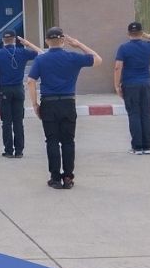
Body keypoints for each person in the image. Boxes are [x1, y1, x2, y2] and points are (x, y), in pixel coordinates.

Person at [27, 27, 102, 190]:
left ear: (47, 41)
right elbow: (98, 59)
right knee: (68, 141)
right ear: (63, 40)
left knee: (52, 140)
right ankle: (68, 177)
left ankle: (55, 178)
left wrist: (34, 104)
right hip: (68, 103)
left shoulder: (41, 59)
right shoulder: (73, 57)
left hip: (49, 103)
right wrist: (78, 44)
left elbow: (31, 81)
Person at [114, 22, 150, 155]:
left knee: (134, 114)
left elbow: (117, 67)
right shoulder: (149, 46)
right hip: (146, 84)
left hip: (130, 84)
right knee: (146, 113)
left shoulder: (123, 48)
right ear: (141, 33)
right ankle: (147, 146)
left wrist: (117, 86)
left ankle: (137, 147)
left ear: (128, 34)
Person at [0, 30, 41, 158]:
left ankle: (8, 151)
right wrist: (27, 44)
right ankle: (19, 151)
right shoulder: (23, 52)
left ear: (3, 40)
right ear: (14, 40)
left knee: (6, 122)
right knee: (18, 121)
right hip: (18, 90)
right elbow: (41, 53)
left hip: (4, 90)